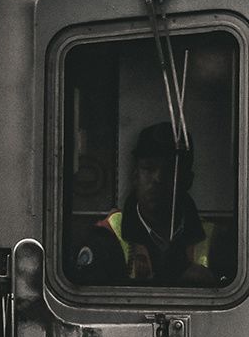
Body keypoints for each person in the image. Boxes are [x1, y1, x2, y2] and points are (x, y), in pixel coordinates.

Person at [87, 122, 216, 285]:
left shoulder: (215, 242)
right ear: (135, 177)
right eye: (148, 168)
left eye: (170, 170)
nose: (158, 179)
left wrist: (210, 286)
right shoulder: (106, 238)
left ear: (187, 180)